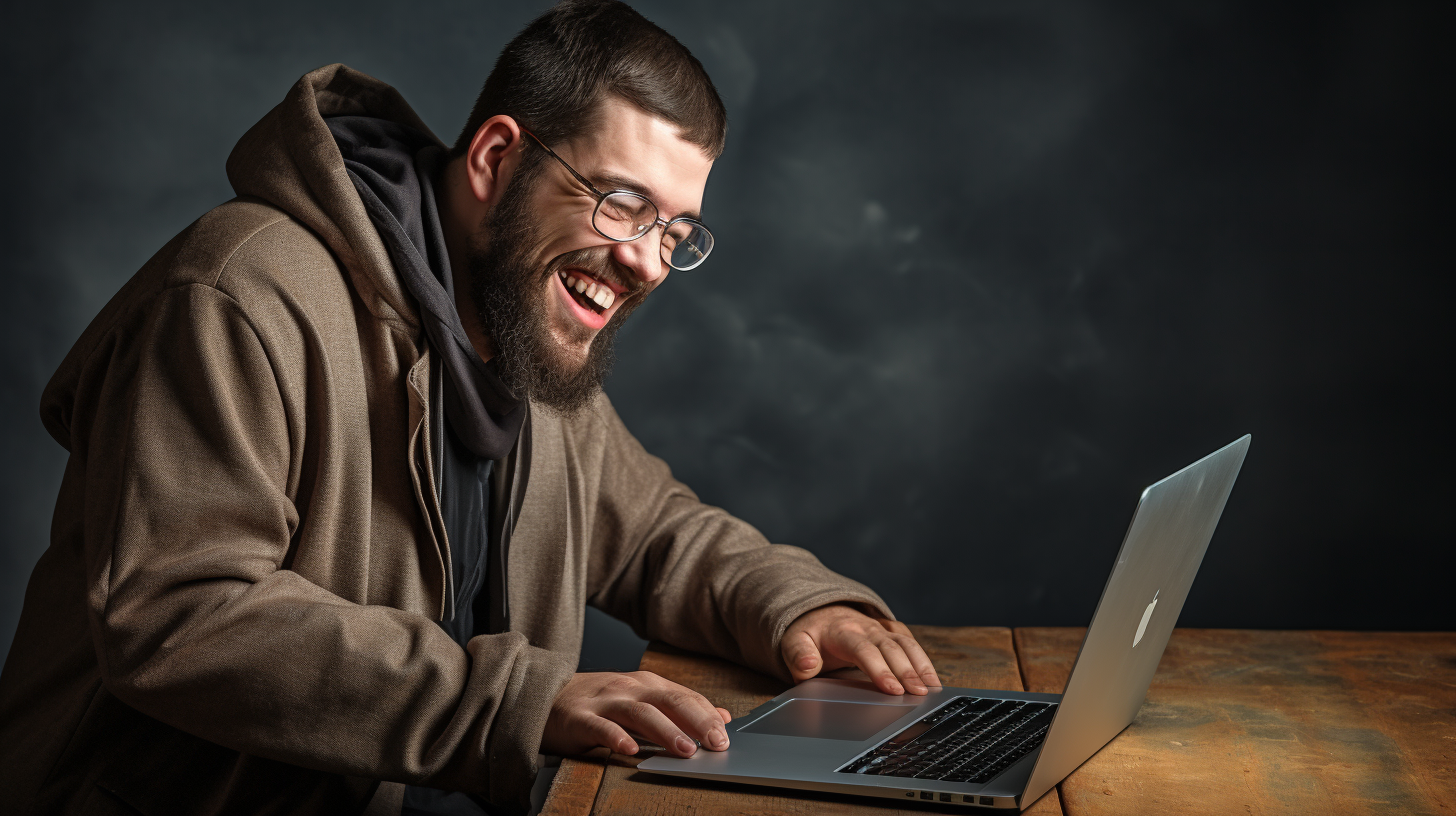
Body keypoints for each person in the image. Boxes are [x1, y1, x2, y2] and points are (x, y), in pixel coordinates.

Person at [0, 2, 940, 814]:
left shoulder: (522, 328)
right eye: (622, 204)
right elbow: (180, 614)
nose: (651, 261)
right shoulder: (241, 292)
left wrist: (800, 610)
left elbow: (651, 530)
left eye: (676, 230)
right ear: (496, 156)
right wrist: (514, 706)